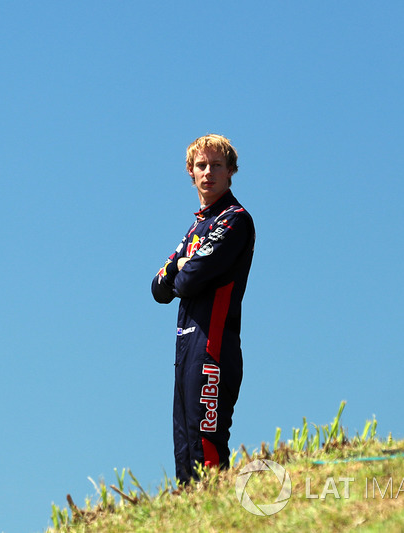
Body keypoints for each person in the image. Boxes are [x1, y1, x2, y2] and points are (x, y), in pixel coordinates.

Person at [151, 134, 255, 484]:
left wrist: (179, 269)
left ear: (231, 172)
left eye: (217, 165)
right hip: (186, 349)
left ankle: (218, 518)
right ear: (190, 172)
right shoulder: (196, 228)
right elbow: (158, 289)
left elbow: (185, 281)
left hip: (214, 348)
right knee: (185, 452)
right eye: (201, 165)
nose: (208, 172)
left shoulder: (234, 220)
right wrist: (178, 269)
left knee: (206, 449)